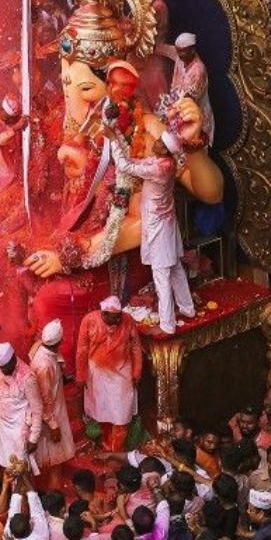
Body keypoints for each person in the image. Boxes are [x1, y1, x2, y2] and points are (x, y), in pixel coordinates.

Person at [106, 126, 196, 334]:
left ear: (164, 149)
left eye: (159, 142)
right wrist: (119, 136)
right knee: (175, 269)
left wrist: (112, 140)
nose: (154, 143)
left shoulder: (160, 168)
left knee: (161, 274)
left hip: (160, 229)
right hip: (166, 224)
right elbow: (137, 163)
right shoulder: (165, 163)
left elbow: (124, 166)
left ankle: (167, 324)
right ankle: (187, 308)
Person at [76, 297, 143, 452]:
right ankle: (107, 444)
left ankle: (116, 451)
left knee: (121, 414)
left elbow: (135, 346)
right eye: (113, 318)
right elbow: (82, 351)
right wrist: (81, 376)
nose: (117, 320)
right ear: (103, 314)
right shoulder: (89, 320)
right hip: (98, 375)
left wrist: (137, 372)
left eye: (118, 316)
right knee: (102, 412)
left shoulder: (128, 320)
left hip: (122, 376)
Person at [30, 320, 74, 483]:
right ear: (60, 342)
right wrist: (53, 425)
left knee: (55, 460)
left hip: (55, 410)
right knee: (54, 460)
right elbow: (44, 398)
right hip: (50, 416)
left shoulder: (40, 349)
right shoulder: (44, 365)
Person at [0, 342, 42, 473]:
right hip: (4, 428)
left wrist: (33, 438)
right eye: (1, 368)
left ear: (14, 358)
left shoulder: (28, 378)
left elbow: (37, 410)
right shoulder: (1, 366)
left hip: (20, 431)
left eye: (6, 368)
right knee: (8, 468)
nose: (4, 371)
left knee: (21, 472)